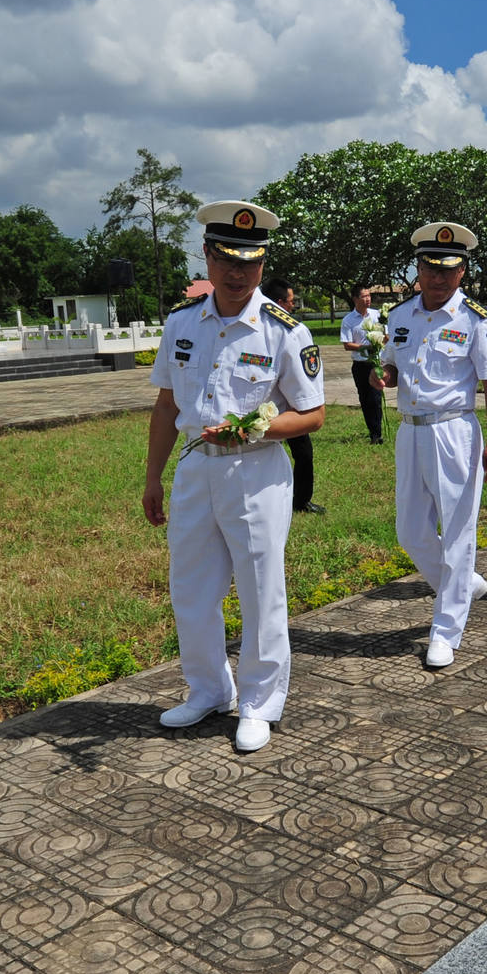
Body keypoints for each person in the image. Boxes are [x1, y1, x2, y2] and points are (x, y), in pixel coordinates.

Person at [143, 202, 326, 752]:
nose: (237, 271)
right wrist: (152, 477)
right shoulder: (182, 322)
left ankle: (258, 703)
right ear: (207, 255)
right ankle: (206, 689)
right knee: (191, 587)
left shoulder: (283, 331)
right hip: (196, 467)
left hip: (256, 471)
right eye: (226, 258)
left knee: (259, 588)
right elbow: (166, 404)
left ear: (263, 264)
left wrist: (251, 429)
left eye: (249, 261)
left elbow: (311, 413)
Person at [375, 222, 487, 668]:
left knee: (457, 534)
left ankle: (446, 629)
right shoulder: (400, 316)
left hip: (455, 431)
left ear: (462, 272)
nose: (439, 277)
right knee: (410, 532)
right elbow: (391, 363)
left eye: (449, 269)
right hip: (409, 430)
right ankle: (464, 584)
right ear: (419, 267)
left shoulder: (476, 320)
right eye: (431, 267)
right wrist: (384, 376)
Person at [262, 276, 323, 514]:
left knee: (304, 455)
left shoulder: (291, 333)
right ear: (279, 302)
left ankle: (301, 501)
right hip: (266, 411)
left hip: (293, 410)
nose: (293, 306)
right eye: (290, 301)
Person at [340, 284, 386, 444]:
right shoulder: (348, 320)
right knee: (366, 399)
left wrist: (379, 343)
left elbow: (386, 336)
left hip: (376, 363)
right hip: (361, 365)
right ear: (355, 299)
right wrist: (365, 347)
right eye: (364, 296)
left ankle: (378, 432)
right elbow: (347, 344)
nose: (368, 299)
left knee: (376, 398)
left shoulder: (377, 315)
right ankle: (373, 431)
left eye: (369, 296)